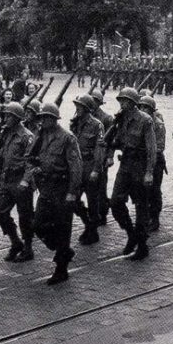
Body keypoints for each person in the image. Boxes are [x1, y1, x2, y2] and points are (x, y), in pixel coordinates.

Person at [22, 102, 82, 284]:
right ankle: (63, 249)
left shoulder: (67, 137)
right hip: (46, 187)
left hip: (62, 187)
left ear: (54, 119)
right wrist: (33, 171)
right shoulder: (40, 135)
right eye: (41, 118)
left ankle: (61, 268)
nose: (43, 121)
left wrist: (72, 192)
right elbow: (30, 157)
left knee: (63, 228)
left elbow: (76, 167)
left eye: (47, 118)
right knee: (38, 225)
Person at [104, 87, 156, 260]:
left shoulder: (145, 120)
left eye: (125, 101)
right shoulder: (121, 119)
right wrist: (110, 149)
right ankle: (131, 233)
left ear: (133, 103)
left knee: (141, 206)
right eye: (121, 101)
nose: (122, 103)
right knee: (116, 202)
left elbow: (151, 149)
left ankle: (142, 245)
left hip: (140, 166)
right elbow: (116, 141)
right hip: (125, 164)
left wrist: (149, 172)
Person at [0, 102, 36, 262]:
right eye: (5, 115)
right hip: (7, 179)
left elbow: (31, 162)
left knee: (25, 216)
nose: (6, 118)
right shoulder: (7, 133)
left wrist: (26, 181)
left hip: (21, 180)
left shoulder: (27, 136)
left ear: (17, 118)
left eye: (9, 116)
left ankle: (28, 248)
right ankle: (15, 242)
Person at [69, 94, 105, 245]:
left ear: (87, 108)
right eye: (77, 105)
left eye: (81, 106)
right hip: (77, 166)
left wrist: (96, 169)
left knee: (92, 201)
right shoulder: (75, 123)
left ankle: (93, 231)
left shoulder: (97, 125)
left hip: (90, 164)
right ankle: (88, 223)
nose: (77, 108)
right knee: (73, 200)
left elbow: (100, 149)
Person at [139, 95, 166, 232]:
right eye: (141, 107)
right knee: (142, 190)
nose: (143, 109)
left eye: (146, 107)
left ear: (152, 110)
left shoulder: (158, 124)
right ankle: (145, 216)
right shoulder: (139, 122)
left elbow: (160, 146)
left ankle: (154, 218)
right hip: (141, 161)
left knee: (154, 190)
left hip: (155, 161)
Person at [91, 88, 114, 225]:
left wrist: (110, 156)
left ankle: (103, 214)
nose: (91, 103)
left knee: (100, 187)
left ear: (99, 103)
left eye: (94, 101)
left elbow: (111, 140)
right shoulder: (83, 116)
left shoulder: (106, 118)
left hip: (101, 157)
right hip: (88, 157)